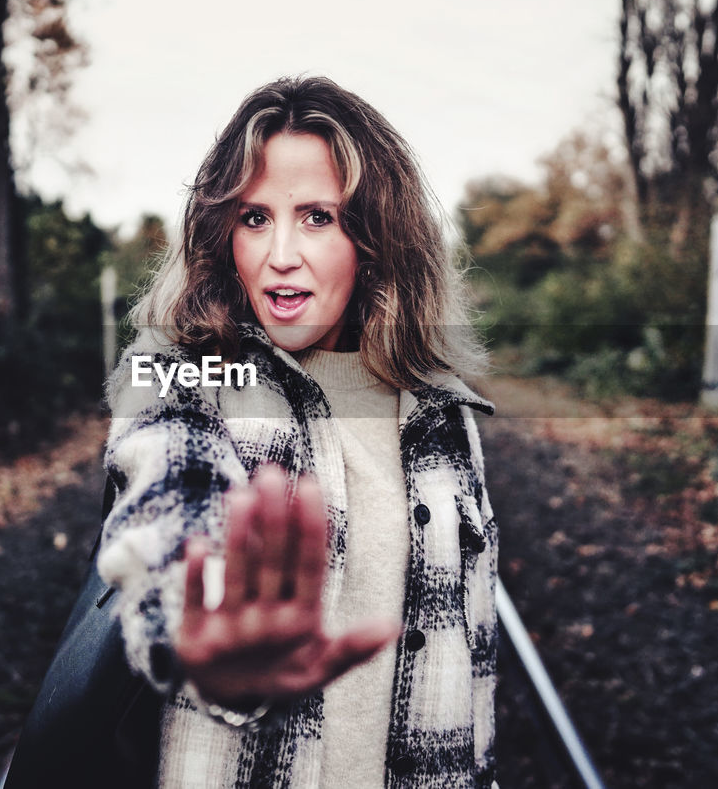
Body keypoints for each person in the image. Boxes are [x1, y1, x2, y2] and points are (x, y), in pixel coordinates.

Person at [97, 75, 498, 788]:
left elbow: (473, 668)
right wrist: (203, 630)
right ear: (222, 236)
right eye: (254, 218)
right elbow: (171, 502)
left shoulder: (442, 413)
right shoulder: (181, 373)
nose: (281, 252)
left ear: (375, 237)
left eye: (317, 216)